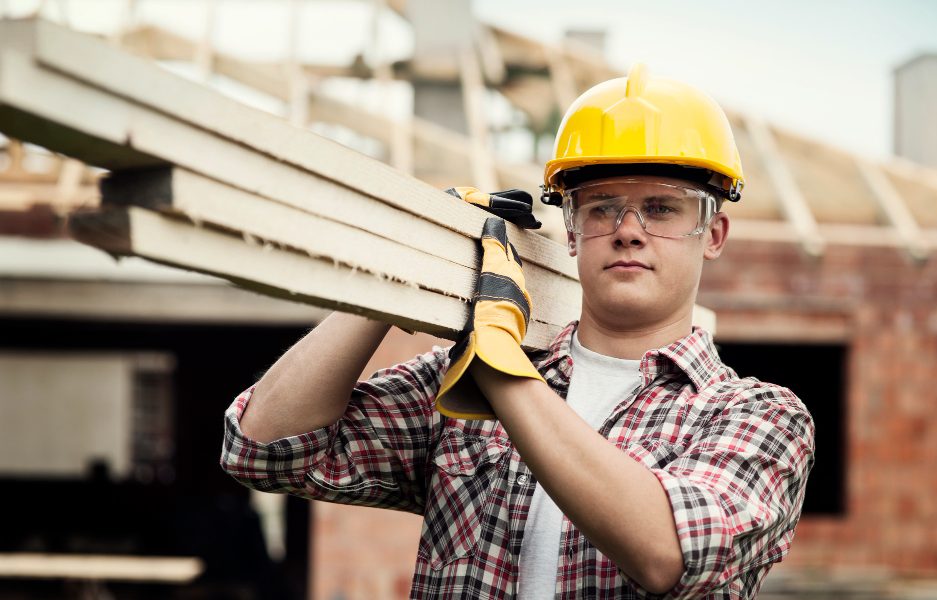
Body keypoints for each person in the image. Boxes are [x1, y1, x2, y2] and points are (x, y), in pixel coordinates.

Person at [221, 63, 815, 599]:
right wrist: (404, 272)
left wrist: (497, 368)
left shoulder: (757, 417)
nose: (628, 229)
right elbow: (263, 448)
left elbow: (669, 553)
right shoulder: (458, 380)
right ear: (572, 231)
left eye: (662, 208)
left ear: (713, 234)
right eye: (601, 206)